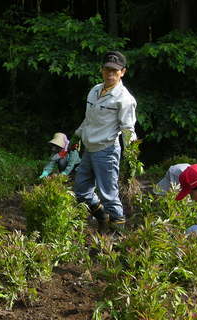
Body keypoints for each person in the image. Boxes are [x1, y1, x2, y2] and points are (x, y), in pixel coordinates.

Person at [73, 51, 137, 230]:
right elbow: (88, 118)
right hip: (89, 148)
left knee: (109, 195)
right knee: (81, 190)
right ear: (101, 70)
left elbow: (128, 129)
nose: (110, 74)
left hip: (107, 150)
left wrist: (132, 155)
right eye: (107, 70)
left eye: (115, 71)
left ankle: (117, 238)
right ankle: (102, 217)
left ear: (122, 72)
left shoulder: (124, 99)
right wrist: (77, 136)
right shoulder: (94, 90)